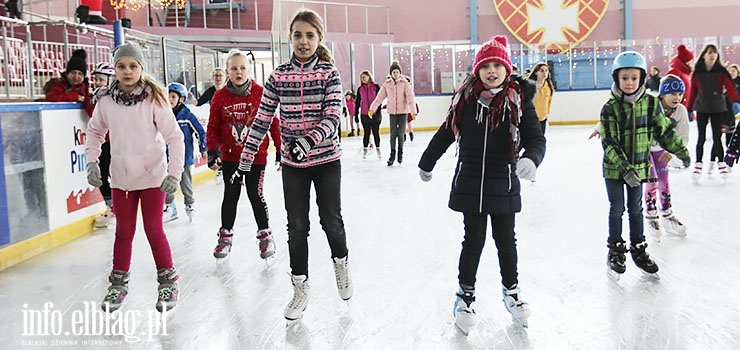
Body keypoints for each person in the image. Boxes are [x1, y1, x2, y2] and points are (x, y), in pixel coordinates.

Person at [417, 35, 545, 333]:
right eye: (485, 65)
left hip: (504, 182)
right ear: (477, 70)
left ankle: (512, 292)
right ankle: (465, 295)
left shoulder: (519, 101)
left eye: (496, 65)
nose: (491, 71)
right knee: (473, 241)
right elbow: (447, 132)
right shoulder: (466, 99)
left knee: (506, 241)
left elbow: (536, 137)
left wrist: (532, 158)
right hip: (471, 182)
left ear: (507, 68)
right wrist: (427, 161)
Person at [237, 9, 353, 321]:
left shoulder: (330, 74)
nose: (304, 41)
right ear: (290, 38)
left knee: (331, 221)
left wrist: (308, 141)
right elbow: (261, 119)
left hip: (326, 159)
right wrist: (246, 160)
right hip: (293, 164)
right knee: (297, 226)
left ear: (319, 39)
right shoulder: (277, 76)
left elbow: (333, 115)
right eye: (298, 35)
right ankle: (300, 287)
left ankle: (340, 264)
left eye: (310, 35)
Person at [85, 42, 184, 313]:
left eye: (132, 66)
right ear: (114, 69)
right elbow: (94, 132)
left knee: (154, 230)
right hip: (121, 179)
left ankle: (168, 281)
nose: (127, 71)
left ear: (141, 68)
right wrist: (91, 160)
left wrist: (174, 173)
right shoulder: (105, 101)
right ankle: (118, 284)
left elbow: (175, 137)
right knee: (124, 232)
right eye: (121, 66)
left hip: (153, 178)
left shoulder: (154, 98)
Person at [600, 51, 690, 281]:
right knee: (617, 208)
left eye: (633, 78)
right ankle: (616, 250)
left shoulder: (651, 104)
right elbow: (609, 142)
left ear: (641, 78)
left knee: (636, 209)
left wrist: (680, 151)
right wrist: (625, 169)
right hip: (615, 170)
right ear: (616, 79)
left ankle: (639, 249)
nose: (629, 83)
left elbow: (665, 131)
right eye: (624, 78)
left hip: (640, 168)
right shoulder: (610, 108)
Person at [206, 50, 280, 260]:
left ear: (249, 69)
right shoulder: (220, 97)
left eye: (242, 68)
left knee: (255, 195)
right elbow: (213, 125)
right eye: (233, 68)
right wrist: (212, 150)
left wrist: (280, 148)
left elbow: (273, 122)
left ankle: (265, 235)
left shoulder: (260, 92)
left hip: (256, 157)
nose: (238, 72)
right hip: (230, 157)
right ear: (227, 71)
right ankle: (225, 236)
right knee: (230, 195)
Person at [644, 75, 691, 240]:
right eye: (673, 93)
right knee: (652, 181)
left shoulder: (681, 111)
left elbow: (683, 136)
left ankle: (667, 215)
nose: (677, 97)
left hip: (661, 151)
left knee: (664, 181)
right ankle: (651, 216)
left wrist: (671, 152)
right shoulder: (651, 106)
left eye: (680, 94)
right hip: (645, 149)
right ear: (663, 94)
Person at [687, 44, 740, 182]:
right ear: (704, 54)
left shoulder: (721, 71)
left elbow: (730, 86)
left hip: (717, 107)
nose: (712, 55)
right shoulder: (698, 72)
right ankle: (698, 164)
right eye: (710, 52)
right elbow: (693, 91)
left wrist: (735, 101)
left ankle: (721, 163)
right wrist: (689, 108)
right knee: (701, 137)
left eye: (715, 53)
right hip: (702, 107)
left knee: (717, 137)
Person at [162, 82, 208, 223]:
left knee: (185, 183)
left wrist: (203, 148)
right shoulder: (162, 115)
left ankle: (189, 204)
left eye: (173, 96)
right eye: (167, 96)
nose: (169, 99)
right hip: (166, 157)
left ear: (181, 99)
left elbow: (200, 132)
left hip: (184, 157)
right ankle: (170, 206)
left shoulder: (187, 116)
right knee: (167, 183)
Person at [369, 61, 416, 166]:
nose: (395, 74)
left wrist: (413, 112)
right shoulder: (387, 84)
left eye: (397, 72)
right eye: (393, 72)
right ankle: (392, 154)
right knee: (393, 134)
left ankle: (400, 153)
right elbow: (379, 98)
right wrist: (372, 109)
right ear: (391, 73)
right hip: (392, 112)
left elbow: (410, 98)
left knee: (400, 134)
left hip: (403, 112)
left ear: (400, 73)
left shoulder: (405, 84)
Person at [90, 62, 116, 228]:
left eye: (101, 79)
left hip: (113, 142)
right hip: (104, 143)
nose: (97, 83)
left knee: (112, 175)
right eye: (96, 79)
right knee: (104, 176)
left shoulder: (108, 98)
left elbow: (90, 110)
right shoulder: (98, 97)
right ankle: (111, 206)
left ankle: (115, 207)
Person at [45, 49, 93, 115]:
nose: (76, 77)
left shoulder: (85, 90)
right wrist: (74, 97)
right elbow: (50, 98)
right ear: (67, 74)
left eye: (80, 74)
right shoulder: (58, 86)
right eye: (73, 73)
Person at [355, 70, 382, 159]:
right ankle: (365, 150)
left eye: (364, 77)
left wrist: (377, 111)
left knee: (376, 132)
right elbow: (358, 102)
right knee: (366, 133)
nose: (363, 79)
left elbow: (380, 99)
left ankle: (378, 150)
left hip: (375, 114)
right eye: (361, 77)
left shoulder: (376, 87)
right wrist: (356, 114)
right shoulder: (360, 89)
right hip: (364, 114)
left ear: (369, 77)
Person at [527, 62, 554, 135]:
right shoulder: (529, 86)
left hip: (543, 118)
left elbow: (549, 102)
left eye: (546, 70)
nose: (544, 73)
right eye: (541, 71)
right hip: (531, 119)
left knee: (540, 141)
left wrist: (546, 113)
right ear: (536, 72)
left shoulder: (549, 87)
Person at [666, 44, 694, 111]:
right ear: (687, 62)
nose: (693, 63)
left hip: (686, 108)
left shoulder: (686, 74)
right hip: (678, 109)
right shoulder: (675, 72)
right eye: (692, 61)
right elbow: (669, 91)